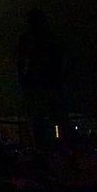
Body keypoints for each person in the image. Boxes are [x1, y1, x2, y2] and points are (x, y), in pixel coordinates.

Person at [16, 8, 66, 150]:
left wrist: (23, 79)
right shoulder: (49, 38)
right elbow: (60, 59)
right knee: (52, 117)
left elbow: (21, 61)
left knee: (39, 118)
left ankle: (43, 149)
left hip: (39, 82)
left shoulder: (30, 39)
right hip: (47, 82)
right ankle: (57, 148)